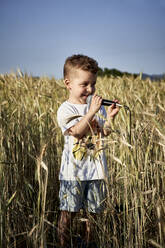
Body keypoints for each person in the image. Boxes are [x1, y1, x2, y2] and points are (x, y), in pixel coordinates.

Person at [57, 54, 120, 247]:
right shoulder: (65, 110)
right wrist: (91, 111)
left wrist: (109, 117)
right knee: (68, 213)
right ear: (68, 83)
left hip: (96, 171)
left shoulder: (97, 107)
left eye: (93, 84)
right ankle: (62, 244)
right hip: (72, 173)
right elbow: (76, 132)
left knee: (94, 215)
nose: (90, 89)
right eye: (84, 84)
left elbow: (104, 132)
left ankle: (88, 244)